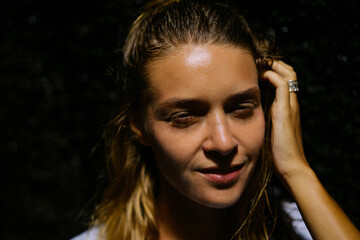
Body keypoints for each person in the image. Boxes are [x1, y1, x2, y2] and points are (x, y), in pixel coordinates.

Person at [71, 0, 360, 239]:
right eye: (185, 116)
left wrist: (297, 170)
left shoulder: (310, 226)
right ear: (139, 125)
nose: (223, 143)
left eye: (241, 108)